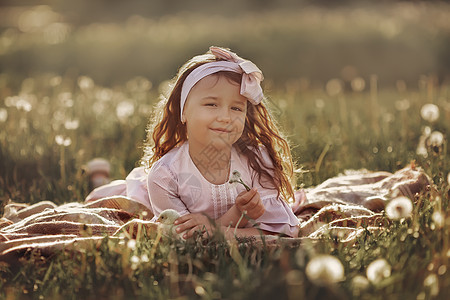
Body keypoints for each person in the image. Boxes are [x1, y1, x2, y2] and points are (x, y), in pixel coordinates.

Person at [86, 46, 300, 239]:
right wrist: (230, 221)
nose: (225, 117)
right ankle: (100, 180)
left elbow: (283, 229)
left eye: (236, 108)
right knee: (125, 201)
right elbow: (184, 238)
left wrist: (226, 222)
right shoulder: (164, 176)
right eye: (211, 104)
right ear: (183, 111)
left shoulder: (257, 161)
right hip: (151, 197)